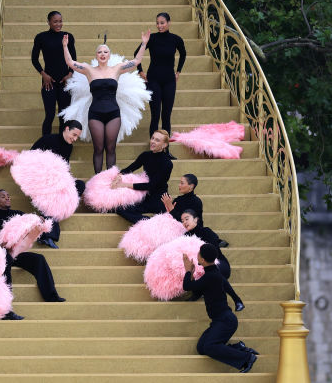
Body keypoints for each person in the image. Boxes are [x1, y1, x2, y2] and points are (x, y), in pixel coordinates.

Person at [62, 31, 149, 172]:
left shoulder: (117, 69)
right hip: (95, 113)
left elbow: (136, 61)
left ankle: (109, 180)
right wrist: (65, 46)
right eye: (100, 52)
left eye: (105, 52)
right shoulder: (89, 70)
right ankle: (98, 180)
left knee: (110, 148)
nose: (102, 54)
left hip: (113, 113)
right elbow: (70, 63)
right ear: (96, 55)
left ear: (109, 55)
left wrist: (144, 43)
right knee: (98, 148)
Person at [183, 244, 258, 373]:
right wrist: (237, 300)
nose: (197, 256)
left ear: (203, 260)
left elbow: (187, 286)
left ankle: (247, 357)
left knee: (210, 346)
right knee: (202, 347)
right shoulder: (212, 274)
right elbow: (195, 286)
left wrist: (188, 270)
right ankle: (238, 347)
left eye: (199, 254)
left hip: (226, 321)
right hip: (219, 321)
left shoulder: (210, 276)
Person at [0, 189, 65, 302]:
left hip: (18, 253)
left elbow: (31, 222)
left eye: (8, 195)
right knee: (6, 260)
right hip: (1, 255)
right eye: (3, 196)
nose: (7, 198)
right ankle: (5, 302)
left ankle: (51, 296)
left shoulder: (18, 214)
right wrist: (0, 245)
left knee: (39, 259)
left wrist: (38, 220)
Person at [29, 120, 86, 248]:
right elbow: (30, 159)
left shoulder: (69, 146)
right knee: (52, 198)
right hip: (40, 182)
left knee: (80, 185)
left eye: (77, 136)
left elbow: (64, 167)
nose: (75, 139)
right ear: (66, 129)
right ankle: (48, 235)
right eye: (74, 134)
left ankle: (48, 231)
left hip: (58, 183)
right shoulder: (47, 140)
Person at [180, 208, 243, 311]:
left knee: (214, 271)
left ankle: (237, 300)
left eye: (187, 219)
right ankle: (197, 293)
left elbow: (213, 253)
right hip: (200, 265)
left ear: (196, 219)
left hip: (218, 263)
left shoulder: (206, 231)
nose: (184, 223)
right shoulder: (185, 237)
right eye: (182, 221)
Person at [136, 12, 186, 135]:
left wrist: (178, 71)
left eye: (162, 23)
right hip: (153, 80)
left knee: (166, 115)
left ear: (169, 23)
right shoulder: (152, 38)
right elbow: (136, 54)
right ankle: (153, 146)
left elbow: (183, 54)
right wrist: (140, 71)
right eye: (157, 23)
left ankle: (165, 148)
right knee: (155, 115)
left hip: (169, 80)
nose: (159, 26)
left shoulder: (176, 39)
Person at [110, 129, 173, 224]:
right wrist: (119, 175)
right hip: (145, 196)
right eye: (152, 138)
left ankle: (148, 222)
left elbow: (151, 185)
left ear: (164, 145)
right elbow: (130, 168)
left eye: (157, 140)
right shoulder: (145, 155)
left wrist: (125, 184)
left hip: (159, 198)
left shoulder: (167, 163)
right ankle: (146, 221)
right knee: (119, 208)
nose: (153, 142)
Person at [32, 11, 76, 137]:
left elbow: (73, 59)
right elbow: (34, 59)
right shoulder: (41, 37)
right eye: (55, 21)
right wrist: (43, 74)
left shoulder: (68, 36)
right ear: (49, 22)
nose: (58, 24)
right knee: (50, 114)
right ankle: (45, 144)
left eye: (60, 21)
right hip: (48, 82)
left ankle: (64, 144)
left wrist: (70, 73)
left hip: (65, 82)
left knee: (64, 115)